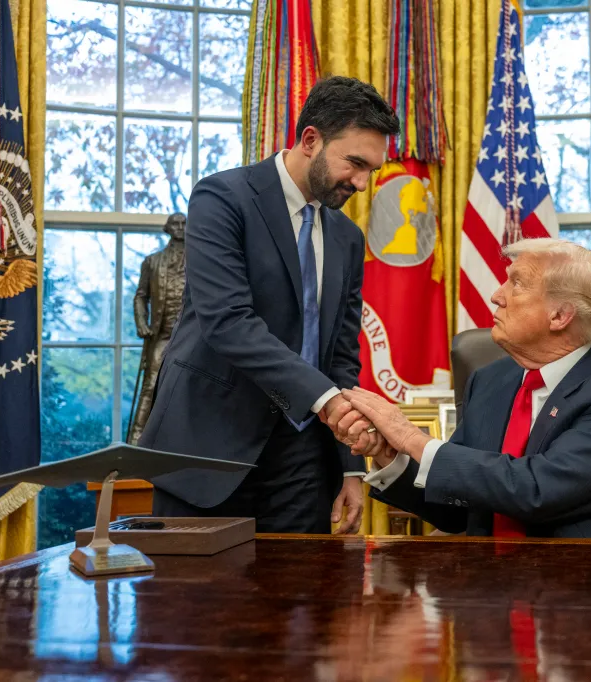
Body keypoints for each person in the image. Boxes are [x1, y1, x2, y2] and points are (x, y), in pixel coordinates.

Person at [138, 77, 400, 533]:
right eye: (354, 163)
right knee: (190, 602)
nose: (361, 183)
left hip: (304, 461)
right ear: (310, 140)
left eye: (370, 170)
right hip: (208, 446)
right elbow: (228, 322)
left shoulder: (347, 238)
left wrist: (350, 467)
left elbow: (340, 353)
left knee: (299, 597)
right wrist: (328, 402)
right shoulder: (222, 199)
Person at [327, 238, 591, 539]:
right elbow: (457, 508)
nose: (496, 295)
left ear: (560, 315)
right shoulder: (490, 381)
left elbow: (539, 490)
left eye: (516, 284)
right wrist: (391, 454)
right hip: (495, 592)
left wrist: (412, 438)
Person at [128, 212, 187, 444]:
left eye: (184, 223)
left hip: (192, 338)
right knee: (151, 385)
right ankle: (136, 443)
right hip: (161, 335)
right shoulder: (152, 262)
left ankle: (185, 446)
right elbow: (140, 297)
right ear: (168, 228)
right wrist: (141, 323)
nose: (181, 228)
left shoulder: (202, 261)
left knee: (189, 390)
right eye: (176, 224)